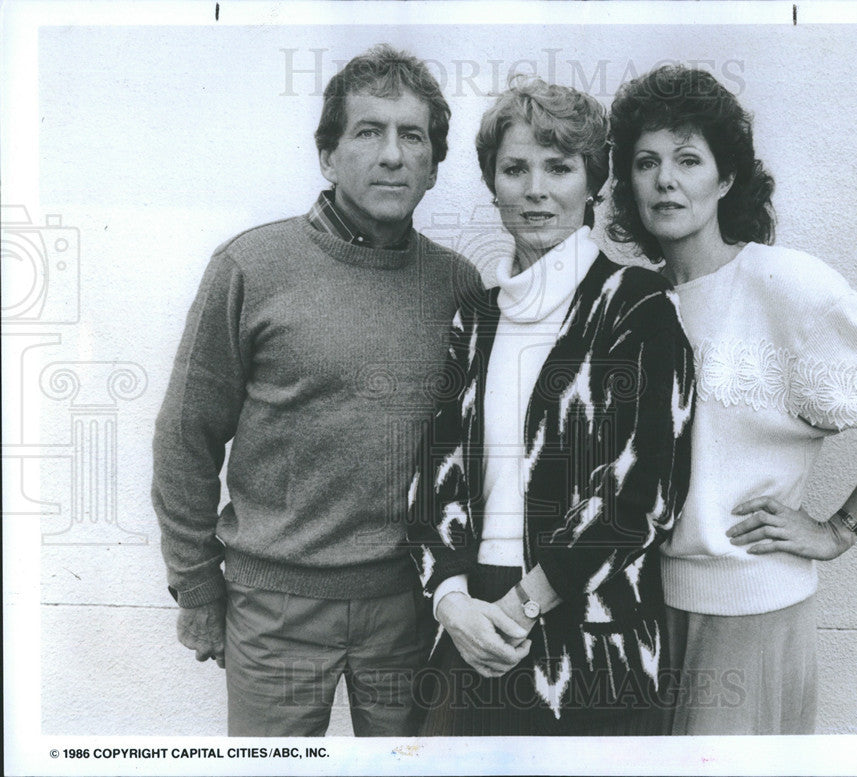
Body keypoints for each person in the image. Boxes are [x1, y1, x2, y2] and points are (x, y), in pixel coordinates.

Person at [606, 65, 857, 735]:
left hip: (755, 617)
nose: (666, 179)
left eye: (689, 159)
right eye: (646, 161)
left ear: (725, 179)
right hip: (654, 614)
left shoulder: (784, 286)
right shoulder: (635, 301)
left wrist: (839, 528)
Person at [152, 44, 481, 737]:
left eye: (412, 135)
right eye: (368, 131)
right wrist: (197, 587)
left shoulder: (458, 287)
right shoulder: (251, 267)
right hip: (273, 610)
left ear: (432, 164)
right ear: (328, 156)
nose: (392, 154)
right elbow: (186, 438)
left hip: (408, 609)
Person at [405, 78, 697, 736]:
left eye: (559, 167)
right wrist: (453, 600)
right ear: (493, 185)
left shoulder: (637, 306)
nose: (536, 188)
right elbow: (437, 472)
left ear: (593, 181)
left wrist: (523, 601)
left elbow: (647, 489)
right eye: (515, 168)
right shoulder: (477, 319)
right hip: (474, 616)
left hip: (592, 638)